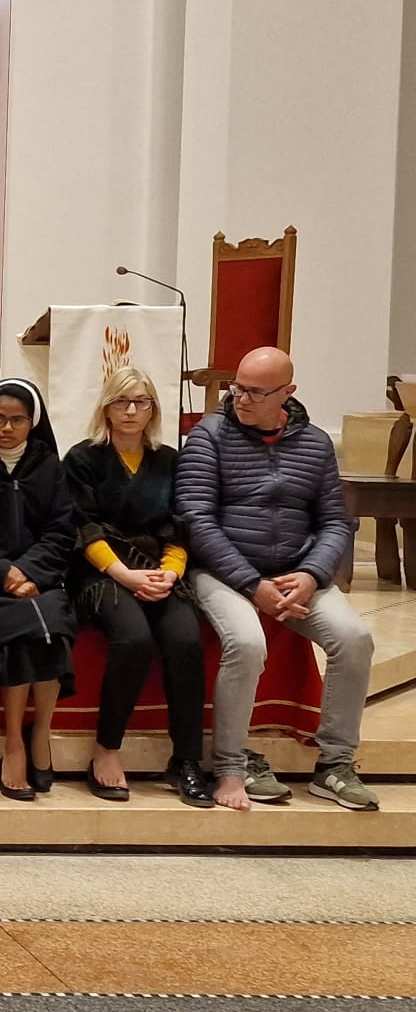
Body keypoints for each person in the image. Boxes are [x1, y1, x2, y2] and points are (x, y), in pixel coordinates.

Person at [180, 346, 376, 812]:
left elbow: (335, 520)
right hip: (222, 573)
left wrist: (311, 574)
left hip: (296, 572)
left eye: (254, 392)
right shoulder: (208, 437)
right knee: (247, 642)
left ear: (287, 392)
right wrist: (252, 585)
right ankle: (232, 763)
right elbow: (195, 520)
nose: (240, 399)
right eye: (237, 388)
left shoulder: (315, 444)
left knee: (355, 638)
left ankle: (335, 763)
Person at [63, 367, 213, 807]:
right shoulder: (83, 458)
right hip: (102, 572)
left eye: (141, 401)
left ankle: (186, 759)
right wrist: (123, 574)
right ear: (106, 408)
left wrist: (171, 573)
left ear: (153, 409)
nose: (131, 410)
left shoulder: (169, 460)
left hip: (158, 570)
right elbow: (84, 527)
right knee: (134, 639)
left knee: (185, 640)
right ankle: (106, 750)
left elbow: (178, 526)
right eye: (121, 401)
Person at [0, 379, 78, 802]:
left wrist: (29, 572)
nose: (6, 428)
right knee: (22, 632)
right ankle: (12, 743)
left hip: (38, 578)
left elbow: (62, 531)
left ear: (32, 423)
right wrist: (3, 573)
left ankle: (40, 732)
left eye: (17, 420)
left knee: (53, 627)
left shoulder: (48, 465)